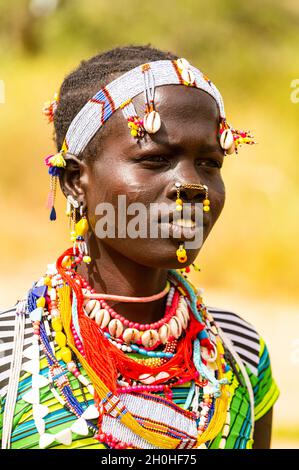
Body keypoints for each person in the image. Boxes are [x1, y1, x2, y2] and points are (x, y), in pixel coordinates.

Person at [0, 45, 279, 450]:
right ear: (75, 181)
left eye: (210, 163)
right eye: (155, 159)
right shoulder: (10, 354)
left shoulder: (240, 353)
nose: (192, 185)